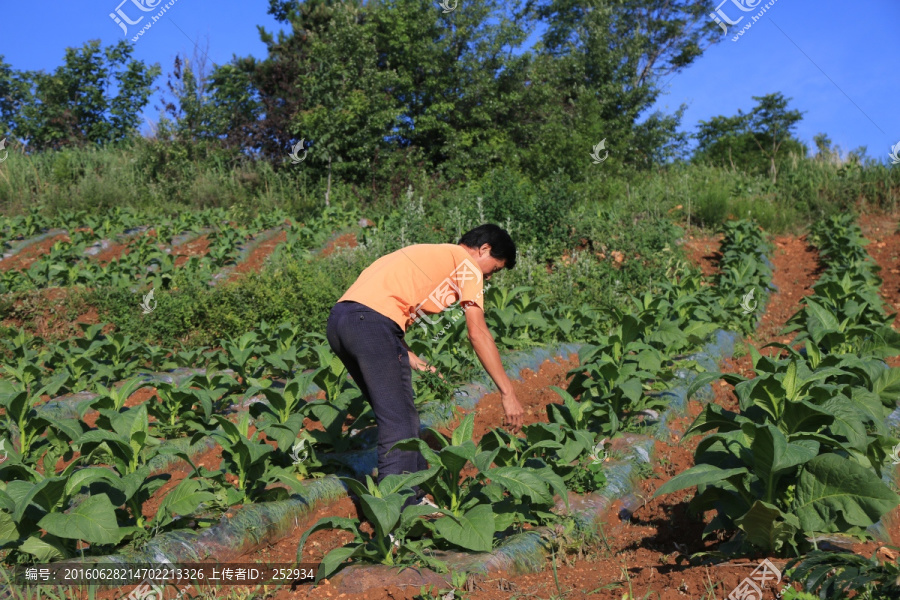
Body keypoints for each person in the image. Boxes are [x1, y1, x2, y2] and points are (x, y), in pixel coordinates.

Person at [325, 223, 524, 508]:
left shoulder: (429, 253)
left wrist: (414, 359)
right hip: (370, 325)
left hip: (341, 321)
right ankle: (398, 509)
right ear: (484, 250)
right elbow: (477, 331)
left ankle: (413, 495)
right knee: (400, 421)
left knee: (395, 413)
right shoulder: (468, 266)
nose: (490, 276)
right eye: (495, 268)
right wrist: (508, 392)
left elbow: (377, 304)